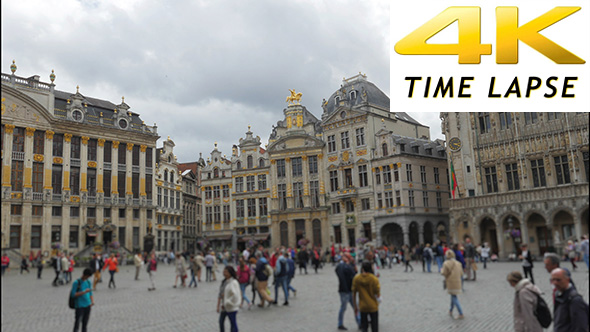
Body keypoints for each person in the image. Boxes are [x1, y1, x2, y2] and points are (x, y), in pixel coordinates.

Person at [352, 262, 380, 332]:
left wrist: (355, 306)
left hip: (363, 306)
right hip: (373, 306)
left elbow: (354, 293)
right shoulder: (374, 279)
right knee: (374, 327)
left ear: (362, 269)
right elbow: (377, 293)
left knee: (364, 327)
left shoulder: (357, 278)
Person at [336, 253, 360, 331]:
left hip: (350, 290)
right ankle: (340, 323)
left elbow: (354, 276)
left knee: (355, 307)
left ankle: (359, 323)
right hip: (344, 290)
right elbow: (342, 277)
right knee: (343, 307)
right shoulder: (341, 266)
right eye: (346, 257)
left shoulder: (349, 265)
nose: (349, 258)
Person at [441, 250, 464, 320]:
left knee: (454, 296)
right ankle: (450, 310)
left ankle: (461, 313)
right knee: (453, 295)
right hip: (458, 281)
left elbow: (444, 273)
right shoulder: (458, 263)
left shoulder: (446, 263)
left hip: (451, 282)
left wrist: (441, 270)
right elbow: (461, 273)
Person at [218, 266, 241, 332]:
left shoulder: (233, 282)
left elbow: (235, 295)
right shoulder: (226, 281)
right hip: (227, 306)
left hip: (231, 307)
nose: (224, 273)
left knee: (233, 324)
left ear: (230, 273)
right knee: (224, 322)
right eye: (224, 271)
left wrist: (227, 301)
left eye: (226, 272)